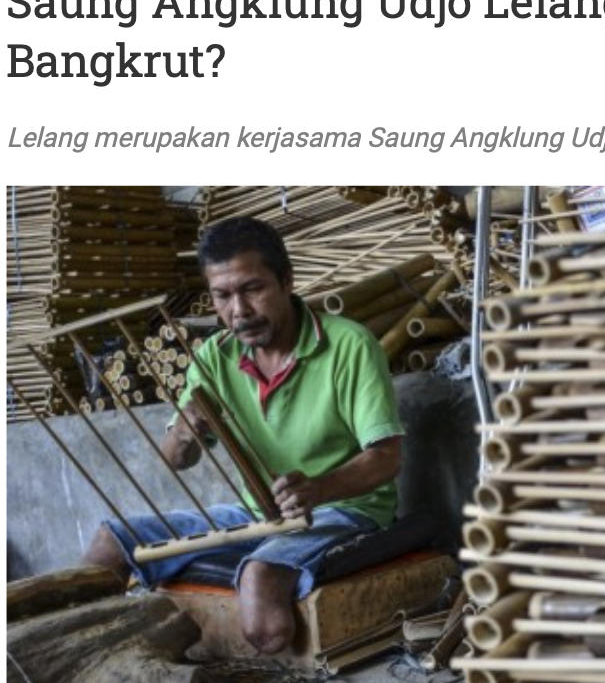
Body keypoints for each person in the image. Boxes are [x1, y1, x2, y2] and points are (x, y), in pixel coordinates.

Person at [84, 217, 405, 654]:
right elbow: (176, 460)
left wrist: (318, 488)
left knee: (263, 599)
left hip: (344, 510)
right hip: (255, 514)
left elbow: (387, 457)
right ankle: (87, 658)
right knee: (111, 543)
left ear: (287, 280)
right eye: (222, 296)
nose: (239, 310)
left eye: (252, 289)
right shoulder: (215, 357)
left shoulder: (350, 345)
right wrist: (185, 431)